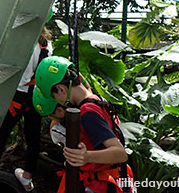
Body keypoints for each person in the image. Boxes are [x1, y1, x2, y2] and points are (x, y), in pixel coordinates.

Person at [32, 57, 135, 193]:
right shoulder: (95, 99)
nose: (59, 102)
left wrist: (87, 157)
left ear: (61, 89)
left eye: (54, 97)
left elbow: (120, 154)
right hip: (111, 179)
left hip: (100, 185)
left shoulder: (87, 112)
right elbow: (85, 88)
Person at [0, 27, 53, 191]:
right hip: (36, 95)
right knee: (33, 137)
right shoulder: (47, 44)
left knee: (3, 132)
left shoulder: (23, 43)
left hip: (19, 94)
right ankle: (27, 177)